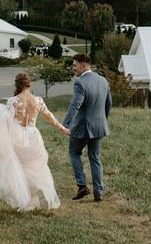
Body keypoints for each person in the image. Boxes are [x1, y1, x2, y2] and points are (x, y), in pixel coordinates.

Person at [0, 72, 71, 211]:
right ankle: (36, 194)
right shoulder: (38, 100)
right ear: (29, 84)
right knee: (35, 167)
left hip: (17, 136)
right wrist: (62, 128)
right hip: (33, 136)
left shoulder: (13, 101)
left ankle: (26, 201)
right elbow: (49, 116)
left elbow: (8, 121)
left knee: (18, 169)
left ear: (17, 84)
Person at [62, 53, 111, 202]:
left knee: (74, 152)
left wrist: (65, 124)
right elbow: (108, 103)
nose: (73, 68)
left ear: (84, 65)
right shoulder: (103, 81)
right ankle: (99, 192)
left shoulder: (80, 83)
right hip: (99, 126)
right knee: (95, 158)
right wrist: (103, 120)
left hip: (82, 127)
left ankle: (82, 186)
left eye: (75, 65)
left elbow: (75, 105)